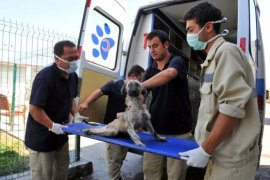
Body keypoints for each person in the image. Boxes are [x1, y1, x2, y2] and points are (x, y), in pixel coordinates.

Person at [179, 2, 261, 180]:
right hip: (217, 154)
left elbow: (231, 106)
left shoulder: (226, 52)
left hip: (231, 161)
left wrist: (205, 149)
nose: (188, 35)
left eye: (191, 29)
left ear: (208, 27)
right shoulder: (212, 58)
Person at [24, 40, 86, 180]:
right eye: (70, 59)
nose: (74, 62)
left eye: (76, 58)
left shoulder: (73, 76)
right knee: (44, 176)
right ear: (57, 59)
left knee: (61, 174)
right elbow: (34, 108)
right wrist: (51, 125)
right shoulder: (45, 78)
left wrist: (75, 114)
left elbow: (70, 97)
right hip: (42, 140)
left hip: (61, 137)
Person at [142, 30, 193, 180]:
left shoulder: (177, 61)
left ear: (166, 45)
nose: (152, 50)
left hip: (179, 131)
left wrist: (139, 85)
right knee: (150, 173)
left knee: (175, 176)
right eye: (150, 47)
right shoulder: (150, 70)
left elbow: (169, 74)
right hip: (154, 131)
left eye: (156, 46)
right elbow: (142, 95)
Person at [79, 65, 145, 180]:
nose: (142, 83)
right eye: (140, 79)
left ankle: (117, 175)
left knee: (121, 156)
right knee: (114, 159)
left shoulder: (138, 92)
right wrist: (86, 103)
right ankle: (114, 178)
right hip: (112, 128)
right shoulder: (115, 84)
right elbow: (98, 92)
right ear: (133, 77)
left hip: (127, 129)